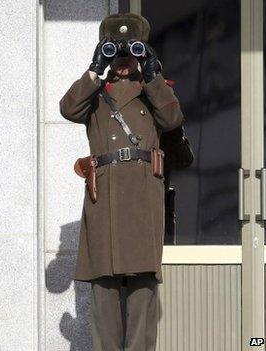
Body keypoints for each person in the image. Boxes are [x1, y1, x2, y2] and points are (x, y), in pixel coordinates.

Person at [59, 13, 184, 351]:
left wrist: (154, 73)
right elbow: (68, 109)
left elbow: (172, 119)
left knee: (143, 293)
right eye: (117, 53)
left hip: (143, 198)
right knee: (104, 294)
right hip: (105, 199)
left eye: (131, 54)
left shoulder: (154, 91)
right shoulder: (95, 94)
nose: (124, 62)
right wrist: (93, 68)